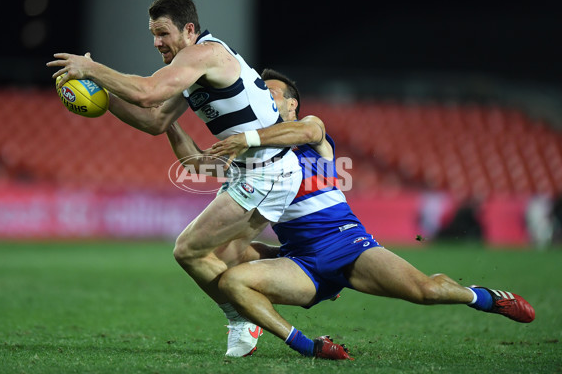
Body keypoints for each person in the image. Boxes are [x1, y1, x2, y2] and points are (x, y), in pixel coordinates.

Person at [203, 68, 535, 360]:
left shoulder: (309, 128)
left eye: (270, 92)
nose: (262, 96)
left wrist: (244, 138)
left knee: (426, 291)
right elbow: (201, 164)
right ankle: (305, 345)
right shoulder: (252, 153)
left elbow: (308, 132)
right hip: (300, 259)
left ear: (292, 104)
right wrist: (168, 124)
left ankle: (482, 297)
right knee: (228, 270)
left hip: (346, 243)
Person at [46, 0, 302, 357]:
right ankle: (309, 265)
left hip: (266, 171)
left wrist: (92, 70)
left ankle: (241, 318)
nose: (156, 42)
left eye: (163, 33)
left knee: (189, 250)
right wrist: (103, 97)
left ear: (190, 30)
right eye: (153, 34)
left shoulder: (204, 55)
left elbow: (149, 94)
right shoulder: (193, 67)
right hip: (259, 169)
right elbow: (156, 120)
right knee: (228, 257)